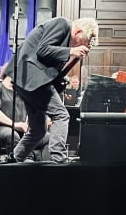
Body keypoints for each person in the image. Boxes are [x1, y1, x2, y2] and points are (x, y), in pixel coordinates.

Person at [11, 16, 99, 164]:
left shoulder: (64, 39)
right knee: (61, 115)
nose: (80, 45)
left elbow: (48, 60)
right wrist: (71, 51)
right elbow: (43, 50)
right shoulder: (62, 24)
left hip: (28, 81)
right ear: (78, 32)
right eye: (83, 41)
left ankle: (15, 158)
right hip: (32, 78)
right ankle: (59, 159)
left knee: (38, 130)